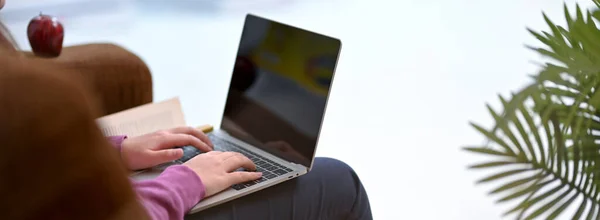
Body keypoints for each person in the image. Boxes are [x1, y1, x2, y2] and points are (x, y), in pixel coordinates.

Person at [0, 4, 372, 220]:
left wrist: (113, 152)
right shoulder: (36, 95)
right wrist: (187, 182)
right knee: (340, 181)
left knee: (231, 156)